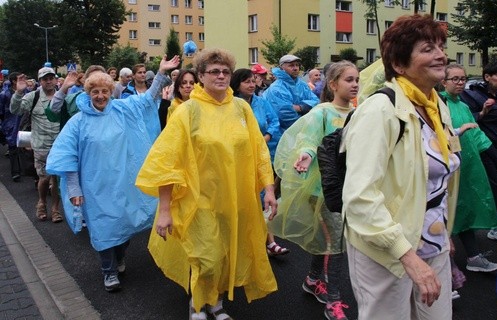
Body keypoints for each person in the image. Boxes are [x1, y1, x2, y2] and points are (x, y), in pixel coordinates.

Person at [135, 48, 278, 320]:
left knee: (226, 254)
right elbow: (167, 161)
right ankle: (197, 304)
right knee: (207, 257)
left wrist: (269, 189)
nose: (221, 76)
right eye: (214, 71)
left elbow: (258, 150)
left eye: (225, 71)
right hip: (199, 200)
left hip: (235, 198)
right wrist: (164, 210)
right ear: (201, 76)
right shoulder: (188, 111)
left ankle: (216, 302)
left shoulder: (241, 108)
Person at [342, 15, 460, 319]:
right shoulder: (379, 111)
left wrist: (443, 230)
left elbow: (438, 179)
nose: (440, 54)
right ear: (398, 63)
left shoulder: (437, 106)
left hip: (433, 243)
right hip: (386, 251)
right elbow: (360, 198)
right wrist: (407, 255)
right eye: (427, 48)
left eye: (441, 46)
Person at [46, 55, 180, 292]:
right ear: (88, 93)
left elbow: (148, 100)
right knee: (102, 228)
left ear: (111, 91)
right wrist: (74, 189)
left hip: (123, 182)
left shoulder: (122, 109)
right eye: (95, 91)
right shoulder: (78, 122)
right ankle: (108, 271)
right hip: (94, 186)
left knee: (123, 225)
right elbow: (67, 156)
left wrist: (160, 73)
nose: (100, 96)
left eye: (105, 91)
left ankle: (119, 257)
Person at [270, 61, 358, 320]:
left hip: (349, 189)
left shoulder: (359, 112)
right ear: (333, 84)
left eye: (356, 80)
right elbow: (307, 140)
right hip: (322, 191)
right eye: (348, 80)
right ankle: (333, 300)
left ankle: (312, 280)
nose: (354, 85)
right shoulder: (322, 113)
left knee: (328, 240)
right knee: (337, 244)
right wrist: (306, 155)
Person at [440, 64, 497, 273]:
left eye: (462, 79)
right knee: (443, 214)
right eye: (454, 79)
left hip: (466, 166)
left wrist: (492, 154)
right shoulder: (439, 103)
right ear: (443, 81)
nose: (459, 83)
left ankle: (472, 257)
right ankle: (446, 265)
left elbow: (474, 133)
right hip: (445, 169)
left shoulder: (463, 106)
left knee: (463, 209)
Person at [230, 68, 288, 256]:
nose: (252, 84)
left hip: (263, 156)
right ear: (237, 84)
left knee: (263, 198)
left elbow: (274, 122)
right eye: (247, 81)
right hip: (240, 160)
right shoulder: (231, 105)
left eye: (253, 81)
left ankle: (269, 241)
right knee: (247, 200)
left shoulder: (262, 102)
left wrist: (267, 136)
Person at [460, 61, 497, 243]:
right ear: (487, 77)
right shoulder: (472, 96)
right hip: (480, 150)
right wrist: (482, 112)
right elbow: (464, 120)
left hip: (496, 152)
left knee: (487, 189)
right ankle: (494, 227)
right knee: (493, 187)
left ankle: (480, 225)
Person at [10, 67, 63, 223]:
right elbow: (15, 110)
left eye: (51, 78)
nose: (48, 81)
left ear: (55, 79)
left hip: (59, 146)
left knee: (57, 181)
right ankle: (41, 202)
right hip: (41, 146)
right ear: (40, 81)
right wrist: (19, 92)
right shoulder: (33, 97)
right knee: (45, 179)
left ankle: (55, 209)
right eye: (45, 79)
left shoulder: (62, 96)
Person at [263, 54, 320, 132]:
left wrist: (300, 108)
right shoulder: (277, 88)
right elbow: (285, 116)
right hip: (282, 135)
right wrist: (307, 111)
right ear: (282, 68)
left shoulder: (302, 84)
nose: (295, 68)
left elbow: (316, 101)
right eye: (291, 65)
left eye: (297, 65)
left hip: (302, 134)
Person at [0, 72, 23, 181]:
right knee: (13, 147)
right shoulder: (5, 94)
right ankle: (15, 172)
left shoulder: (26, 92)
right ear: (14, 81)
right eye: (20, 78)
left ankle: (24, 169)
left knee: (24, 147)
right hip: (10, 124)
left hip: (23, 123)